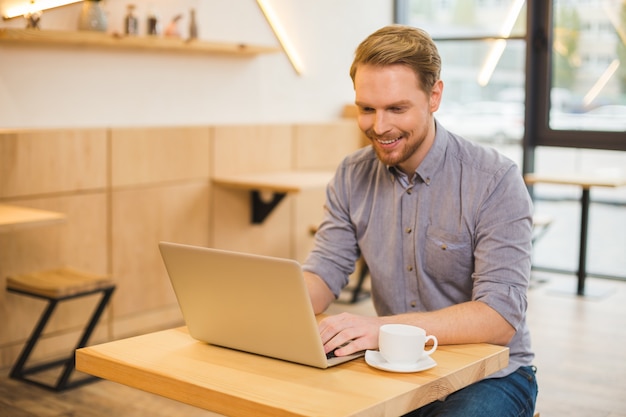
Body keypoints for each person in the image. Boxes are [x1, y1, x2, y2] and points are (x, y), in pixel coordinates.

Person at [302, 25, 538, 417]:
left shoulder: (495, 180)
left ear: (434, 97)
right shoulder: (351, 174)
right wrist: (266, 305)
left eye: (396, 109)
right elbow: (324, 274)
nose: (379, 127)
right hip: (393, 367)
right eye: (367, 109)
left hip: (491, 376)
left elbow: (499, 317)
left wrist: (383, 330)